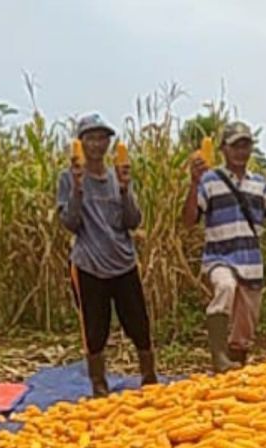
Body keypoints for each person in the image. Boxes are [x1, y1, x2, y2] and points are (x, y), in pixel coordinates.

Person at [57, 112, 157, 398]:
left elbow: (133, 221)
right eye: (91, 138)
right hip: (89, 263)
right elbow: (70, 223)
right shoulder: (67, 178)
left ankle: (149, 377)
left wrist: (126, 190)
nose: (98, 144)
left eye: (103, 138)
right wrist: (77, 189)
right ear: (81, 142)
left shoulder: (117, 177)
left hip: (123, 261)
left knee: (138, 323)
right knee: (95, 328)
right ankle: (99, 386)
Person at [182, 121, 266, 372]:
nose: (241, 151)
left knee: (245, 328)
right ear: (223, 149)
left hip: (251, 262)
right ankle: (218, 356)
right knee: (225, 286)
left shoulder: (260, 184)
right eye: (235, 146)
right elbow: (189, 221)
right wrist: (193, 183)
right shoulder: (208, 181)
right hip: (219, 257)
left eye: (246, 145)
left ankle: (234, 373)